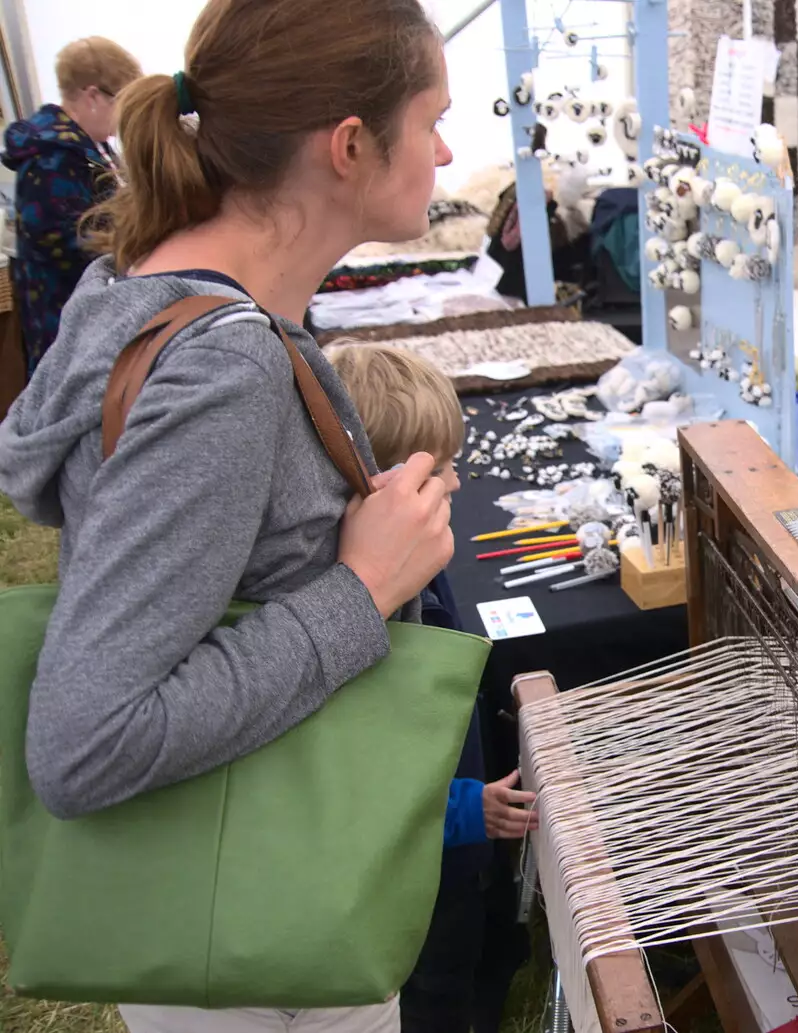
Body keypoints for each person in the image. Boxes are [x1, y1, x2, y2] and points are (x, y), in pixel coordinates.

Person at [0, 1, 456, 1031]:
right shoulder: (224, 366)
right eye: (432, 119)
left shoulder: (143, 284)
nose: (446, 150)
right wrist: (361, 589)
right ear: (348, 146)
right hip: (254, 924)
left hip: (221, 909)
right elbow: (85, 742)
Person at [325, 342, 537, 1033]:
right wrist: (464, 811)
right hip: (416, 873)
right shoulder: (365, 613)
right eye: (439, 468)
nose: (454, 482)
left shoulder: (419, 570)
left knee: (473, 963)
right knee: (433, 992)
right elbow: (361, 776)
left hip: (455, 845)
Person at [2, 36, 142, 377]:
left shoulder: (92, 148)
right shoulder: (50, 158)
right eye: (121, 101)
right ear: (92, 95)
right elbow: (70, 242)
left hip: (96, 309)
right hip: (65, 321)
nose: (123, 117)